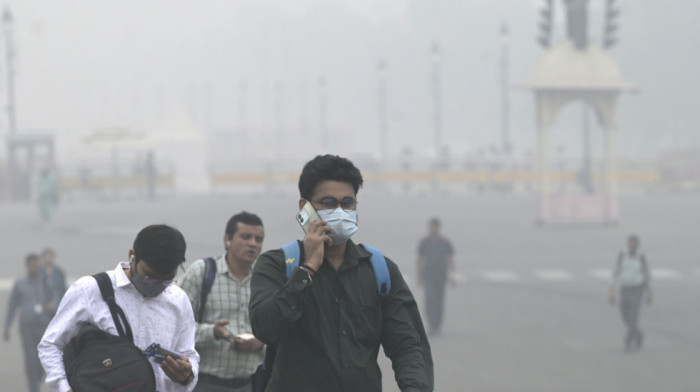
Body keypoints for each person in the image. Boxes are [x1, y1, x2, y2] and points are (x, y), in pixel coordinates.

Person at [249, 154, 433, 392]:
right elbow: (265, 327)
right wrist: (307, 269)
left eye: (347, 203)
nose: (339, 211)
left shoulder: (380, 271)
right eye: (328, 203)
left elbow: (407, 345)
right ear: (304, 208)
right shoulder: (277, 265)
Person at [38, 224, 200, 391]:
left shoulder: (179, 301)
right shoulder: (90, 290)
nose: (157, 285)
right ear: (132, 256)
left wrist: (187, 376)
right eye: (150, 277)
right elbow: (51, 345)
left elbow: (190, 354)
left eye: (167, 280)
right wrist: (65, 388)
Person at [179, 212, 266, 392]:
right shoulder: (202, 273)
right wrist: (213, 332)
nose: (253, 244)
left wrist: (261, 342)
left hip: (253, 384)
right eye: (246, 237)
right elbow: (176, 329)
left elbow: (280, 329)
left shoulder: (265, 280)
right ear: (227, 240)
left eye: (258, 239)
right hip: (206, 383)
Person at [4, 253, 53, 392]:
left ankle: (36, 380)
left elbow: (55, 301)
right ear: (27, 266)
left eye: (36, 264)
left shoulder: (46, 282)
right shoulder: (20, 284)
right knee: (30, 359)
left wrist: (52, 307)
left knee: (43, 359)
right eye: (31, 264)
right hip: (27, 328)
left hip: (43, 326)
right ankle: (33, 387)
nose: (34, 266)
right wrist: (7, 327)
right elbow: (12, 306)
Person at [609, 234, 652, 352]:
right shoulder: (622, 255)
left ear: (638, 245)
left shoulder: (641, 257)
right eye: (630, 243)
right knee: (624, 314)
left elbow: (647, 274)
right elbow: (615, 273)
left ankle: (628, 341)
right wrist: (612, 291)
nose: (631, 245)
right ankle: (638, 334)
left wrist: (649, 291)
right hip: (624, 288)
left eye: (634, 243)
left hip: (637, 289)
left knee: (633, 316)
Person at [416, 217, 455, 337]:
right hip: (428, 275)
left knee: (439, 301)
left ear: (438, 227)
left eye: (434, 226)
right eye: (431, 226)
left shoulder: (445, 242)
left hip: (441, 275)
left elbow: (450, 259)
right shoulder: (424, 241)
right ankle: (431, 325)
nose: (432, 228)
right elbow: (420, 259)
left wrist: (452, 275)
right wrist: (418, 275)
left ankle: (437, 326)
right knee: (430, 300)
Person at [42, 247, 67, 313]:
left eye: (50, 257)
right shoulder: (40, 272)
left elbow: (62, 288)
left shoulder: (59, 272)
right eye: (46, 258)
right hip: (44, 306)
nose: (48, 260)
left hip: (57, 304)